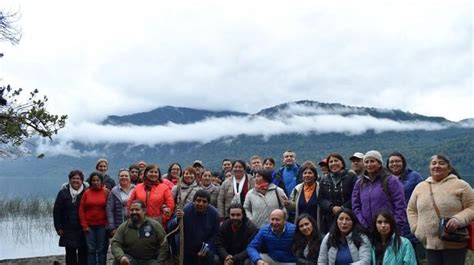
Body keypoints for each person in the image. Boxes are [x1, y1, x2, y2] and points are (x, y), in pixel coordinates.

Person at [407, 154, 474, 265]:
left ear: (449, 168)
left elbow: (472, 207)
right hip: (430, 244)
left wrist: (459, 219)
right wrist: (416, 229)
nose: (437, 166)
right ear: (429, 168)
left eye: (441, 163)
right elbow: (411, 210)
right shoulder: (420, 187)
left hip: (454, 242)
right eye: (433, 163)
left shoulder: (461, 185)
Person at [352, 150, 407, 232]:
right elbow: (356, 206)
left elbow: (400, 205)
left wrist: (395, 226)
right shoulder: (360, 183)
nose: (369, 164)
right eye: (366, 162)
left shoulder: (391, 181)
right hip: (366, 230)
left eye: (372, 161)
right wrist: (363, 223)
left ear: (380, 163)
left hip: (387, 229)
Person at [385, 152, 424, 258]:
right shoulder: (384, 178)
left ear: (403, 163)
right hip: (389, 221)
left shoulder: (414, 177)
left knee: (410, 255)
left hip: (410, 221)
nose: (394, 164)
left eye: (397, 161)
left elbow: (423, 195)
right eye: (391, 162)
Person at [170, 190, 220, 265]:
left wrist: (206, 248)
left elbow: (215, 235)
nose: (201, 204)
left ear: (208, 203)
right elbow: (171, 227)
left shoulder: (214, 214)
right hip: (186, 249)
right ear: (193, 201)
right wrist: (177, 219)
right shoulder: (185, 210)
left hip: (204, 249)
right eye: (198, 200)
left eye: (204, 201)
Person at [110, 200, 168, 265]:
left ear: (144, 211)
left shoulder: (155, 225)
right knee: (117, 261)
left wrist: (159, 262)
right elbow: (115, 243)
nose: (134, 212)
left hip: (150, 260)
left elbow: (164, 244)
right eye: (132, 210)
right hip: (131, 260)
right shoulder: (124, 227)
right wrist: (121, 257)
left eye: (137, 210)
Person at [53, 170, 88, 265]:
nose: (76, 180)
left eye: (78, 178)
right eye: (73, 178)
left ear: (82, 181)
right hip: (67, 228)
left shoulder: (87, 192)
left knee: (83, 252)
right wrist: (58, 227)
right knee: (70, 252)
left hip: (82, 228)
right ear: (69, 180)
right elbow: (57, 211)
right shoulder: (63, 193)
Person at [319, 153, 358, 234]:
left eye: (336, 161)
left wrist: (343, 208)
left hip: (349, 217)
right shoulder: (324, 180)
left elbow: (356, 196)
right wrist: (331, 207)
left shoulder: (351, 177)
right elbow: (321, 199)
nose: (333, 163)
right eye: (331, 162)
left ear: (342, 163)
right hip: (330, 219)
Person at [79, 172, 109, 265]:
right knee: (91, 250)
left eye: (97, 180)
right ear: (91, 182)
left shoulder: (106, 192)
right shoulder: (86, 192)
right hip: (89, 226)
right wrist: (84, 225)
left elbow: (110, 208)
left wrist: (108, 224)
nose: (95, 182)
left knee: (101, 250)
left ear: (101, 181)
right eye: (93, 180)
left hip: (102, 226)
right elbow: (81, 209)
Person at [106, 169, 135, 237]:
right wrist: (112, 227)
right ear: (118, 178)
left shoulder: (135, 189)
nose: (124, 177)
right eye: (122, 176)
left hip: (135, 223)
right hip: (119, 224)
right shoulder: (114, 191)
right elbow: (109, 209)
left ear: (130, 178)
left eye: (126, 176)